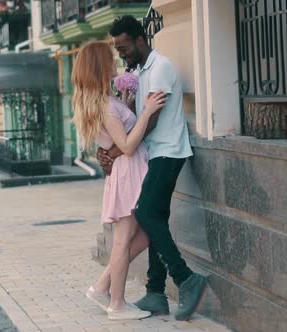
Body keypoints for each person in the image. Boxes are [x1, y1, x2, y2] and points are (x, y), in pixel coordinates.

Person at [96, 15, 208, 321]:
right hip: (150, 153)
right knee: (154, 218)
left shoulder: (160, 67)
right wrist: (109, 149)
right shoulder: (139, 70)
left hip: (168, 151)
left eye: (123, 46)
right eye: (117, 48)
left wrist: (117, 151)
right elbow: (131, 119)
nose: (121, 53)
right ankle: (156, 293)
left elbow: (152, 119)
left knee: (146, 213)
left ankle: (186, 279)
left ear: (140, 39)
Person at [72, 41, 167, 320]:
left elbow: (116, 136)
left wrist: (126, 103)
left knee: (146, 235)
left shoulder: (106, 102)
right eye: (110, 60)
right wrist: (147, 111)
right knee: (123, 240)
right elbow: (126, 146)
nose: (115, 63)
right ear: (100, 67)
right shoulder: (105, 106)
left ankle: (102, 287)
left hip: (127, 172)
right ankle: (117, 304)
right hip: (129, 171)